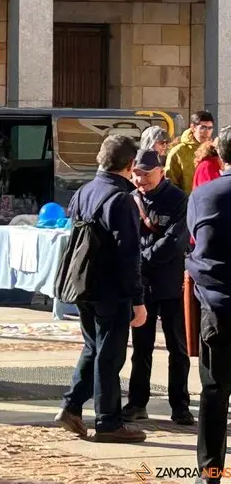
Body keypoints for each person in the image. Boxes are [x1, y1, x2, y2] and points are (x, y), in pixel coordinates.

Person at [54, 135, 147, 444]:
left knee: (94, 348)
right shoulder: (121, 199)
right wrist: (137, 299)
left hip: (83, 284)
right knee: (109, 355)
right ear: (130, 165)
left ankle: (71, 406)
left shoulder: (84, 191)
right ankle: (108, 422)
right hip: (111, 288)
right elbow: (128, 252)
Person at [122, 148, 193, 426]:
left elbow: (177, 239)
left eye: (146, 174)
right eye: (136, 174)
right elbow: (126, 237)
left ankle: (181, 405)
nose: (141, 180)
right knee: (141, 348)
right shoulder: (130, 199)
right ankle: (137, 402)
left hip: (171, 282)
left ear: (160, 171)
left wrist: (144, 258)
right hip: (141, 285)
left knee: (178, 348)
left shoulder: (178, 199)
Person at [187, 125, 231, 482]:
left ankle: (210, 471)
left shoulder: (204, 194)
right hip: (216, 298)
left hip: (216, 304)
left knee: (215, 390)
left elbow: (195, 237)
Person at [165, 110, 215, 194]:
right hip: (187, 202)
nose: (207, 132)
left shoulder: (215, 150)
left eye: (210, 128)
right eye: (203, 127)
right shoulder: (179, 151)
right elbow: (170, 181)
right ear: (193, 128)